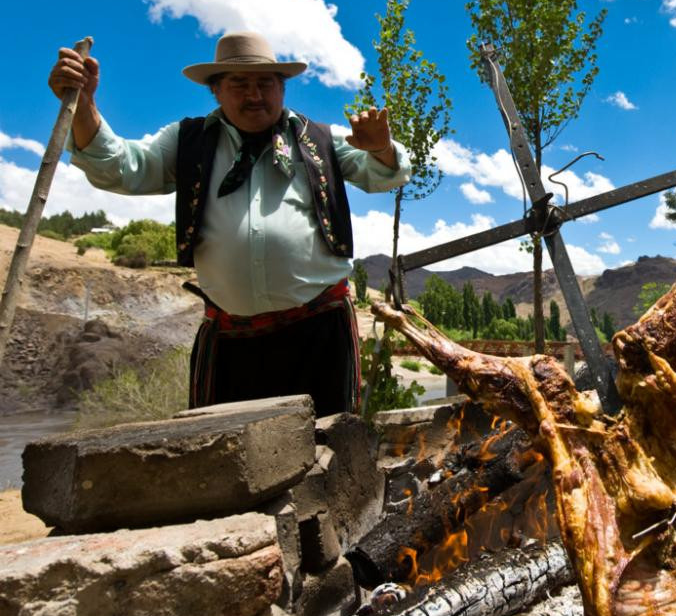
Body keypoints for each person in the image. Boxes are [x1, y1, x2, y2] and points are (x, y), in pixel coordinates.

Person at [48, 31, 411, 415]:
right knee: (224, 457)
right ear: (216, 92)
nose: (254, 95)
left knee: (331, 449)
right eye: (239, 84)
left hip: (320, 333)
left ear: (282, 89)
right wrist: (84, 103)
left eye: (265, 83)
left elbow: (384, 175)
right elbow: (120, 168)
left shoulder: (319, 139)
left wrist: (380, 147)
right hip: (229, 339)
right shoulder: (189, 141)